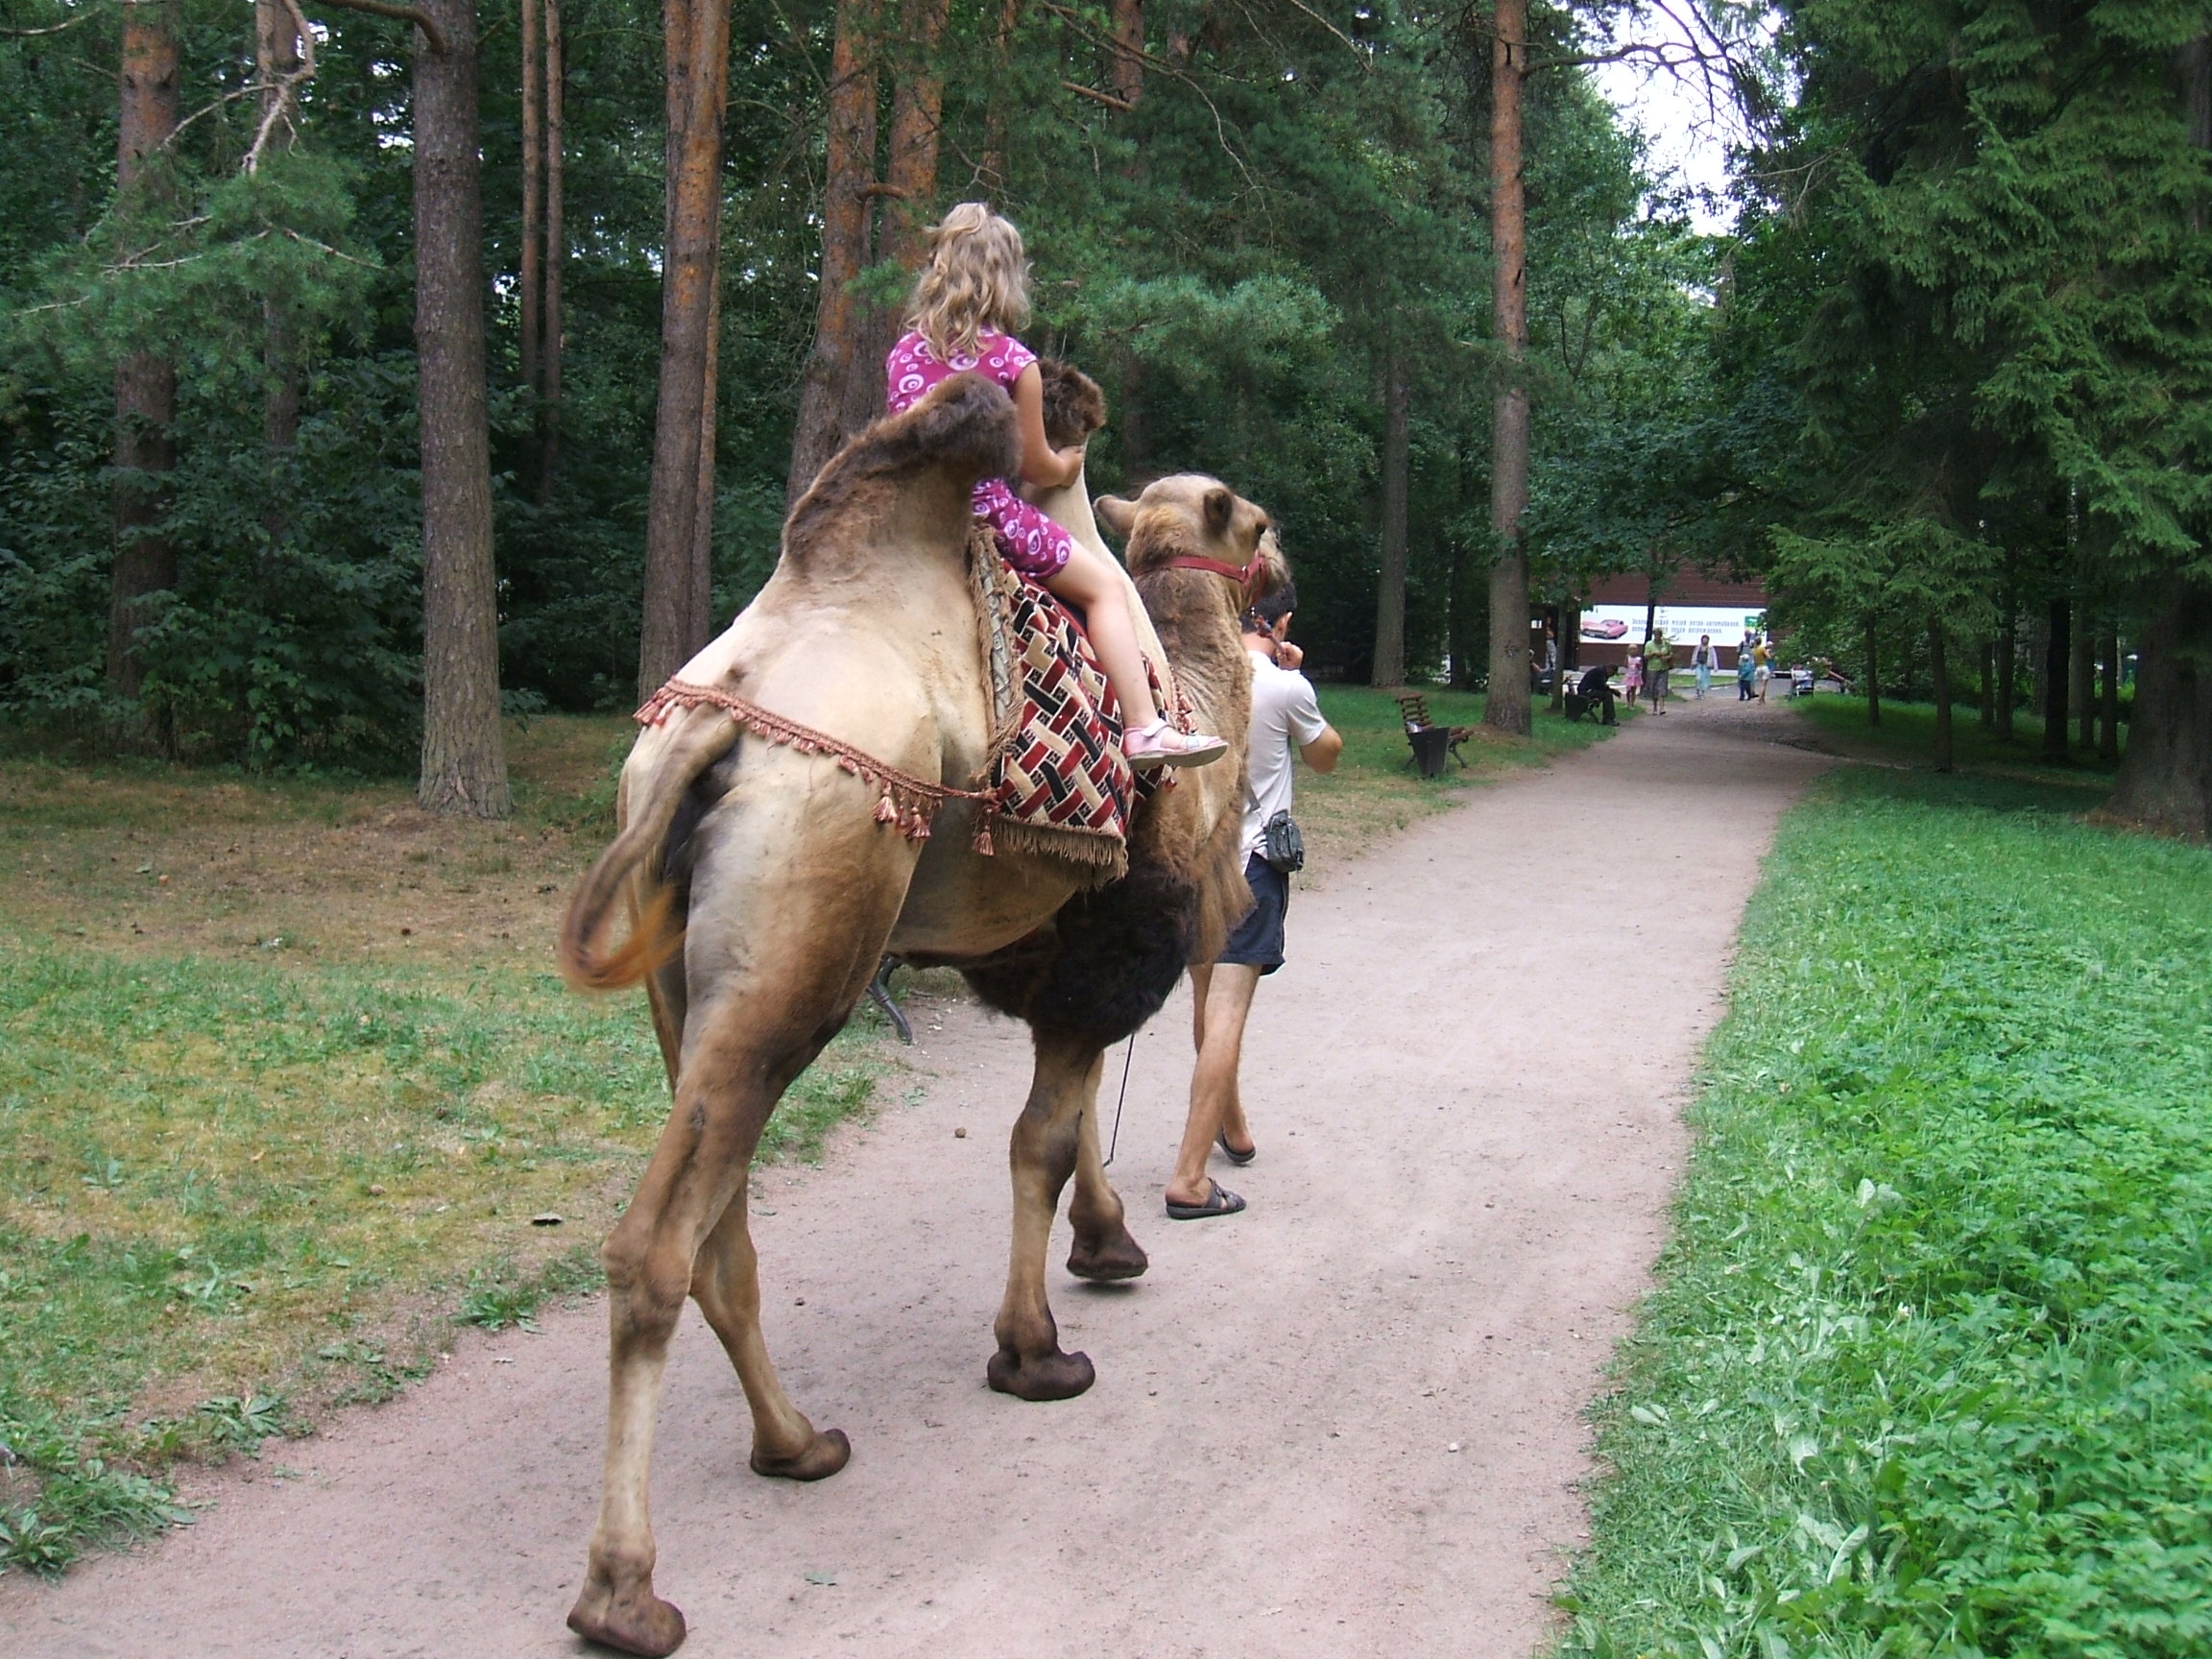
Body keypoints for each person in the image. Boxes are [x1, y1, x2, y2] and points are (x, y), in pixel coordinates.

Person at [886, 204, 1226, 769]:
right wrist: (1068, 466)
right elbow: (1035, 467)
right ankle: (1145, 728)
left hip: (911, 518)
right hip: (984, 518)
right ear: (1005, 278)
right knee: (1105, 590)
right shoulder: (1014, 361)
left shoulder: (904, 354)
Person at [1165, 580, 1342, 1220]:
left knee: (1205, 1001)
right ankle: (1188, 1178)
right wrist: (1299, 678)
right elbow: (1326, 757)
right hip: (1253, 868)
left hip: (1192, 858)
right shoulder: (1284, 687)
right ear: (1280, 620)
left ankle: (1231, 1129)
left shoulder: (1188, 679)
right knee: (1229, 1016)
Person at [1643, 629, 1671, 713]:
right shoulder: (1649, 644)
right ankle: (1655, 706)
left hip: (1663, 668)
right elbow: (1646, 656)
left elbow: (1670, 654)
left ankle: (1662, 708)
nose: (1657, 637)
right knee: (1653, 689)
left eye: (1659, 635)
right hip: (1652, 668)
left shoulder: (1666, 644)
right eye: (1655, 635)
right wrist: (1654, 653)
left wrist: (1667, 657)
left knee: (1661, 688)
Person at [1692, 634, 1718, 699]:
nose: (1705, 641)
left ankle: (1702, 693)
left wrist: (1715, 666)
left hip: (1706, 665)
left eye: (1706, 639)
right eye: (1704, 639)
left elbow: (1714, 657)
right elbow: (1694, 655)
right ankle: (1697, 692)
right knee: (1698, 678)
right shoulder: (1698, 647)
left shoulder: (1710, 648)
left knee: (1704, 680)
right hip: (1698, 665)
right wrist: (1693, 663)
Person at [1753, 636, 1773, 703]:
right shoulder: (1762, 649)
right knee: (1763, 685)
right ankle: (1759, 699)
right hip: (1764, 666)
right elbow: (1769, 657)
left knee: (1761, 684)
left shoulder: (1754, 650)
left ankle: (1763, 700)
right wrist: (1770, 654)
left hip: (1758, 667)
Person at [1737, 635, 1757, 701]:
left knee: (1750, 680)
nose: (1749, 637)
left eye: (1750, 635)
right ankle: (1742, 694)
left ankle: (1751, 692)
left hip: (1750, 662)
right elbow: (1738, 652)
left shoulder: (1752, 644)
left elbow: (1755, 652)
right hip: (1743, 662)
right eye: (1747, 635)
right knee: (1742, 680)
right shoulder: (1742, 643)